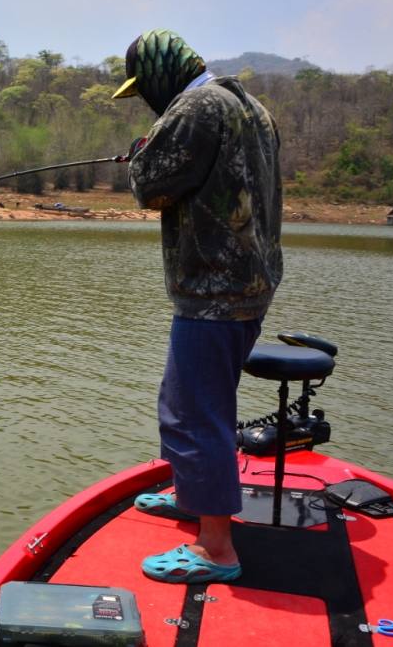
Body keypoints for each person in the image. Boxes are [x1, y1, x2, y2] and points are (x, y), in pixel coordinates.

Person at [111, 29, 283, 583]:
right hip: (249, 284)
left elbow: (152, 186)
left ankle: (216, 549)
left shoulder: (195, 107)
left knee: (194, 414)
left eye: (143, 89)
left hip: (214, 290)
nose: (145, 99)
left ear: (162, 72)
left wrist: (140, 155)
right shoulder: (250, 105)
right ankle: (193, 497)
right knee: (188, 403)